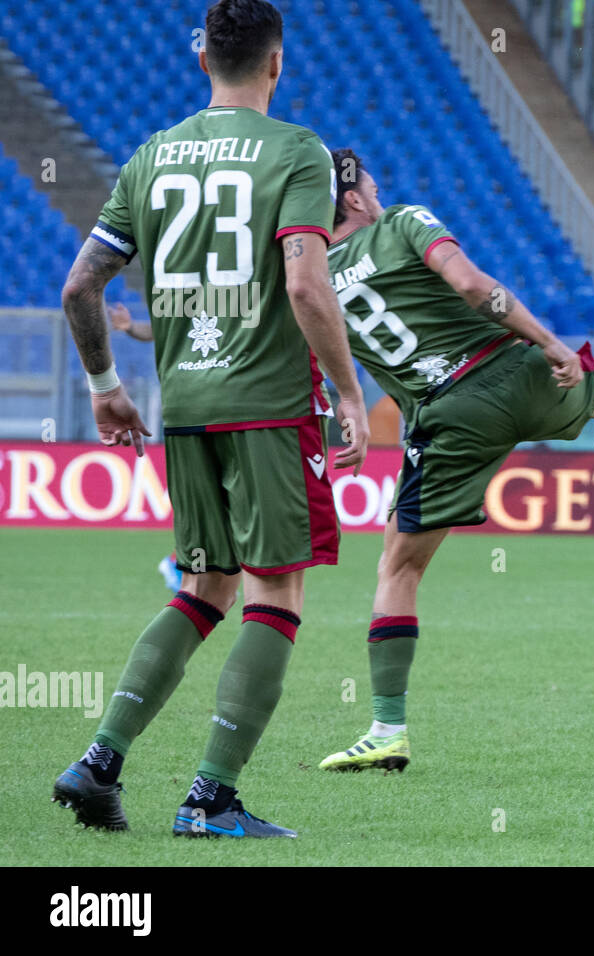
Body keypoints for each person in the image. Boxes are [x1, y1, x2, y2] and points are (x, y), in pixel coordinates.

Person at [51, 0, 371, 837]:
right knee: (275, 590)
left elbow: (80, 286)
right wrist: (348, 392)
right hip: (268, 405)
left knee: (204, 586)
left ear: (203, 62)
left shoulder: (151, 157)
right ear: (276, 64)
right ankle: (210, 800)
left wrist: (104, 386)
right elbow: (305, 285)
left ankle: (100, 762)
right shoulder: (297, 150)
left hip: (183, 405)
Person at [316, 150, 594, 769]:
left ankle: (388, 728)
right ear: (355, 199)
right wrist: (550, 343)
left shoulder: (307, 280)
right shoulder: (404, 223)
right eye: (373, 183)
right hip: (516, 376)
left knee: (399, 569)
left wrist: (349, 406)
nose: (380, 191)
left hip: (449, 420)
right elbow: (472, 285)